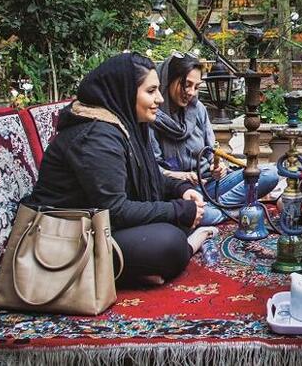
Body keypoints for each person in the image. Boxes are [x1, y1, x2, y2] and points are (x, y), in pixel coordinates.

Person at [27, 52, 214, 286]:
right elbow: (114, 210)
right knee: (171, 243)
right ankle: (136, 269)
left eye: (158, 90)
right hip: (65, 239)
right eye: (150, 91)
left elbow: (150, 176)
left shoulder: (127, 126)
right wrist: (178, 210)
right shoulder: (96, 136)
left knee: (174, 225)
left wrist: (181, 189)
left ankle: (132, 271)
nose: (160, 99)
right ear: (124, 91)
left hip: (100, 228)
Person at [149, 54, 279, 225]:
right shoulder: (151, 116)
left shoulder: (198, 109)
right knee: (202, 215)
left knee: (270, 174)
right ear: (167, 81)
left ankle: (220, 209)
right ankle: (231, 211)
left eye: (196, 87)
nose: (191, 92)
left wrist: (218, 168)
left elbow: (211, 152)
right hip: (181, 192)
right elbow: (151, 170)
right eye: (186, 85)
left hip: (211, 184)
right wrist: (181, 176)